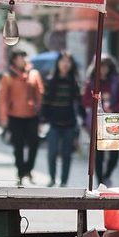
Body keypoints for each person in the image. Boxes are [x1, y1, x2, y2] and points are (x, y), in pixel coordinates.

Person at [0, 50, 44, 186]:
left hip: (32, 116)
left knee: (34, 144)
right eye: (18, 58)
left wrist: (39, 111)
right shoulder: (8, 76)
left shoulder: (34, 74)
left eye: (23, 57)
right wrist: (3, 117)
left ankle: (29, 169)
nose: (21, 60)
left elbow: (40, 93)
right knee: (18, 146)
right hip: (15, 116)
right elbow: (3, 99)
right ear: (13, 60)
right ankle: (20, 172)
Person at [82, 54, 119, 186]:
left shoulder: (115, 82)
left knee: (114, 155)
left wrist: (113, 108)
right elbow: (84, 100)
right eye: (100, 66)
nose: (103, 69)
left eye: (105, 66)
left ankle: (107, 176)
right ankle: (100, 181)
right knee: (99, 154)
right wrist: (97, 102)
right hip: (97, 119)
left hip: (111, 119)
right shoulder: (91, 82)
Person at [41, 52, 83, 187]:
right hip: (53, 123)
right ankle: (52, 178)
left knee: (67, 154)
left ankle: (64, 181)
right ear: (58, 63)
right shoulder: (50, 81)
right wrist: (42, 120)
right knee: (52, 153)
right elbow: (45, 102)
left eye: (68, 62)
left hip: (69, 123)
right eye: (63, 61)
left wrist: (84, 120)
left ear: (71, 65)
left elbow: (79, 103)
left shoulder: (74, 82)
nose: (65, 64)